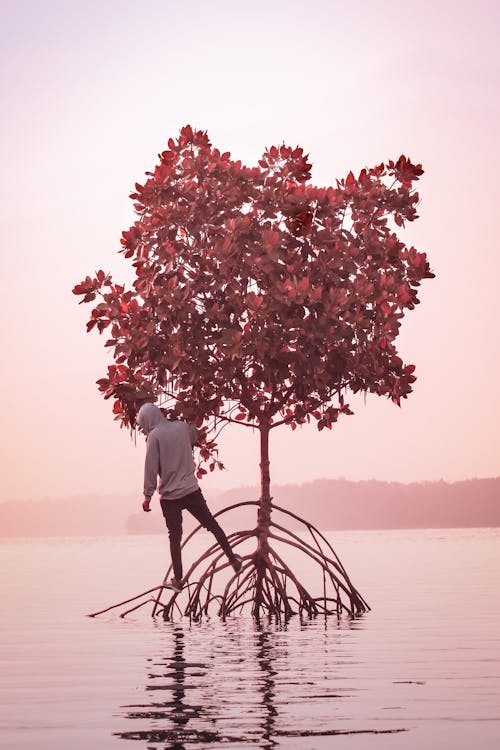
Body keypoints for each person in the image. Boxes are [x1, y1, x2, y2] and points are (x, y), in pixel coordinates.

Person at [136, 402, 242, 593]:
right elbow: (194, 435)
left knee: (175, 538)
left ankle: (177, 580)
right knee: (212, 524)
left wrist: (147, 495)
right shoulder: (181, 427)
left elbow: (150, 468)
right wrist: (193, 420)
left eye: (143, 423)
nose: (143, 428)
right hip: (191, 490)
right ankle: (233, 559)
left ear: (148, 419)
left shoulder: (154, 437)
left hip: (169, 497)